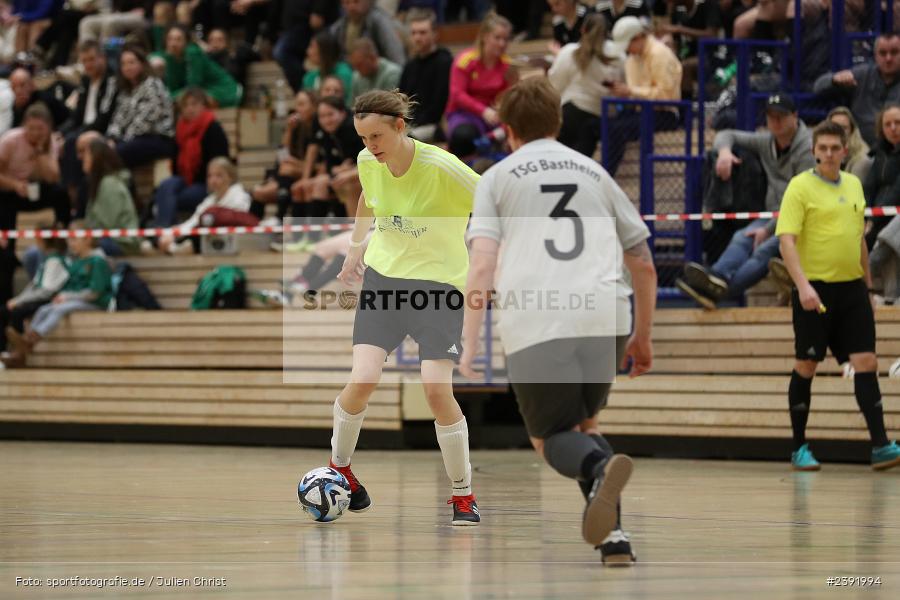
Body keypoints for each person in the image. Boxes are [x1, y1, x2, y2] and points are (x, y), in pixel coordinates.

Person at [459, 76, 655, 564]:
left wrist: (469, 341)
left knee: (550, 440)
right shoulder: (595, 172)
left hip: (540, 316)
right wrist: (642, 335)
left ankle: (602, 466)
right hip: (607, 313)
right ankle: (614, 539)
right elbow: (644, 262)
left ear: (506, 129)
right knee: (585, 424)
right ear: (559, 121)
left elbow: (482, 264)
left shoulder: (497, 178)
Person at [325, 89, 481, 525]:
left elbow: (493, 199)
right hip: (385, 281)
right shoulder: (367, 162)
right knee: (363, 378)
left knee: (435, 389)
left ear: (400, 126)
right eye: (361, 138)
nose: (369, 146)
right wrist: (356, 247)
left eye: (376, 136)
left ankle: (463, 494)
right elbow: (367, 199)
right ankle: (340, 469)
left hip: (437, 287)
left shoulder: (442, 166)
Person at [775, 120, 900, 472]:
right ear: (814, 151)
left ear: (845, 151)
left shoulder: (855, 185)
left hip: (853, 291)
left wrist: (868, 284)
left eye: (835, 148)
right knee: (807, 365)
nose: (828, 154)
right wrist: (802, 286)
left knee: (867, 363)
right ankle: (799, 447)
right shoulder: (799, 188)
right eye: (822, 148)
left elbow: (858, 238)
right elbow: (787, 240)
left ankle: (880, 446)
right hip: (814, 290)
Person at [676, 93, 814, 309]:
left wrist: (768, 229)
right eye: (771, 116)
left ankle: (716, 294)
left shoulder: (808, 148)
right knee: (741, 237)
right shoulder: (767, 141)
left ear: (795, 116)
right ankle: (717, 276)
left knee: (763, 249)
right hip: (773, 215)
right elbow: (726, 134)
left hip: (802, 221)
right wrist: (724, 153)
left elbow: (798, 200)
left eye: (781, 116)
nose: (775, 121)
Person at [3, 220, 112, 367]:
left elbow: (95, 293)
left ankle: (31, 339)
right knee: (44, 309)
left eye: (74, 239)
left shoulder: (98, 261)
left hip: (96, 303)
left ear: (88, 239)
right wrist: (64, 296)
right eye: (69, 239)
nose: (70, 243)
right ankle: (23, 347)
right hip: (77, 300)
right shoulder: (77, 261)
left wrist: (67, 297)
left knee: (60, 309)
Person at [601, 16, 681, 176]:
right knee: (603, 124)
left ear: (638, 38)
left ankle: (606, 175)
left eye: (628, 45)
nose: (626, 50)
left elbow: (666, 96)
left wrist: (630, 91)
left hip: (665, 113)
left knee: (617, 129)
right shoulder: (631, 60)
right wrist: (624, 92)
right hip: (641, 110)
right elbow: (634, 92)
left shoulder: (659, 54)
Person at [151, 87, 229, 227]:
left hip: (206, 182)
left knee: (171, 198)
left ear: (203, 105)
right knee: (165, 186)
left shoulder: (213, 128)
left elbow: (220, 162)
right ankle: (163, 231)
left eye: (194, 104)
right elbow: (175, 162)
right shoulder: (180, 129)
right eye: (185, 105)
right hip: (184, 180)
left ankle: (164, 231)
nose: (189, 109)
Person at [548, 12, 623, 157]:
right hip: (605, 117)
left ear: (582, 30)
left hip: (572, 114)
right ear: (608, 32)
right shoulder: (618, 55)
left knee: (567, 161)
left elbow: (554, 86)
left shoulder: (569, 52)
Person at [444, 12, 516, 158]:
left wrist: (501, 119)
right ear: (484, 37)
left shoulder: (508, 66)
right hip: (464, 114)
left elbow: (509, 98)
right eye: (497, 38)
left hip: (496, 116)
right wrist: (483, 111)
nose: (502, 44)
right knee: (463, 137)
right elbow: (457, 95)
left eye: (506, 39)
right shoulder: (465, 60)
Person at [813, 32, 900, 147]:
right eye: (883, 53)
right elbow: (818, 87)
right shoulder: (862, 75)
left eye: (894, 52)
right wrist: (834, 79)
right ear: (875, 56)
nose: (888, 58)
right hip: (860, 149)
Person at [157, 156, 251, 255]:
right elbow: (193, 222)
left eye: (219, 175)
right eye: (210, 176)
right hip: (210, 244)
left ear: (231, 177)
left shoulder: (240, 197)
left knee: (192, 242)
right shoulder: (209, 200)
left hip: (235, 245)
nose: (213, 180)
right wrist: (171, 233)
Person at [0, 233, 67, 365]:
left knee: (17, 313)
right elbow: (34, 285)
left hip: (48, 299)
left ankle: (18, 351)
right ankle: (7, 350)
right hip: (39, 296)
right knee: (4, 311)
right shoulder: (47, 260)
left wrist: (20, 301)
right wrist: (18, 299)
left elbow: (46, 291)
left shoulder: (54, 261)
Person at [251, 89, 318, 221]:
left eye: (302, 104)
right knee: (257, 192)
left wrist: (296, 164)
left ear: (314, 106)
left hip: (313, 172)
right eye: (297, 105)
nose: (298, 109)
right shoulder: (297, 127)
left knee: (287, 169)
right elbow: (282, 155)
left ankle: (279, 217)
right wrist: (289, 130)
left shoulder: (318, 126)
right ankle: (250, 225)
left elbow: (318, 162)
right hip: (291, 174)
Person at [105, 44, 176, 169]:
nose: (127, 67)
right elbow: (118, 119)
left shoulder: (153, 84)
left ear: (142, 64)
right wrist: (112, 138)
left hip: (158, 138)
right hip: (134, 139)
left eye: (131, 62)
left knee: (116, 153)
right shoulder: (125, 91)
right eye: (124, 64)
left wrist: (121, 141)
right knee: (102, 151)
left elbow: (146, 121)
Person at [296, 96, 364, 223]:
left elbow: (370, 161)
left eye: (330, 114)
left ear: (343, 113)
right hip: (345, 174)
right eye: (322, 116)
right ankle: (311, 236)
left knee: (330, 184)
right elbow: (330, 166)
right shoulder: (328, 133)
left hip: (364, 175)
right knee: (312, 185)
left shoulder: (354, 129)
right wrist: (338, 169)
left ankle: (353, 233)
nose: (326, 120)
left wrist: (347, 170)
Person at [397, 8, 452, 143]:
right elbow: (400, 98)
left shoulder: (445, 62)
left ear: (434, 34)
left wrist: (408, 124)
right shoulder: (410, 65)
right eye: (414, 33)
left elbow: (438, 106)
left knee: (402, 140)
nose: (417, 37)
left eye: (422, 33)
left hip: (432, 125)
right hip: (408, 124)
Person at [154, 24, 241, 108]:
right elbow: (172, 88)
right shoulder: (169, 57)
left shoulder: (193, 53)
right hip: (203, 90)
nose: (173, 43)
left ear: (186, 42)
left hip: (225, 90)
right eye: (170, 39)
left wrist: (168, 98)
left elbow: (193, 87)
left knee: (191, 99)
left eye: (178, 39)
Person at [82, 138, 139, 256]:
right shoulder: (100, 183)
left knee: (80, 246)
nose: (83, 159)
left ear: (96, 158)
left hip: (122, 243)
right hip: (109, 240)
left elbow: (109, 223)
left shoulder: (109, 184)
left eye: (86, 155)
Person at [862, 104, 900, 249]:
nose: (893, 128)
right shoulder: (880, 152)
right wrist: (863, 217)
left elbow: (896, 192)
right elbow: (869, 187)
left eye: (897, 122)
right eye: (887, 124)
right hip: (876, 214)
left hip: (894, 217)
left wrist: (872, 220)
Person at [330, 0, 406, 67]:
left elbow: (396, 56)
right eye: (346, 3)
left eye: (356, 1)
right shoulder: (339, 27)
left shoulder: (379, 21)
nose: (351, 7)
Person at [302, 30, 353, 106]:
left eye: (312, 47)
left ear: (324, 51)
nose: (308, 51)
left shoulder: (344, 74)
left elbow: (348, 105)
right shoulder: (309, 77)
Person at [348, 37, 402, 104]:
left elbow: (390, 106)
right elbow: (352, 106)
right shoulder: (356, 76)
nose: (357, 69)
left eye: (359, 64)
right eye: (354, 65)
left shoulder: (392, 74)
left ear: (372, 58)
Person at [826, 106, 871, 182]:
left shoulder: (862, 158)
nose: (838, 131)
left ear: (851, 130)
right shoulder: (821, 149)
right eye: (834, 126)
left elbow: (853, 190)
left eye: (844, 128)